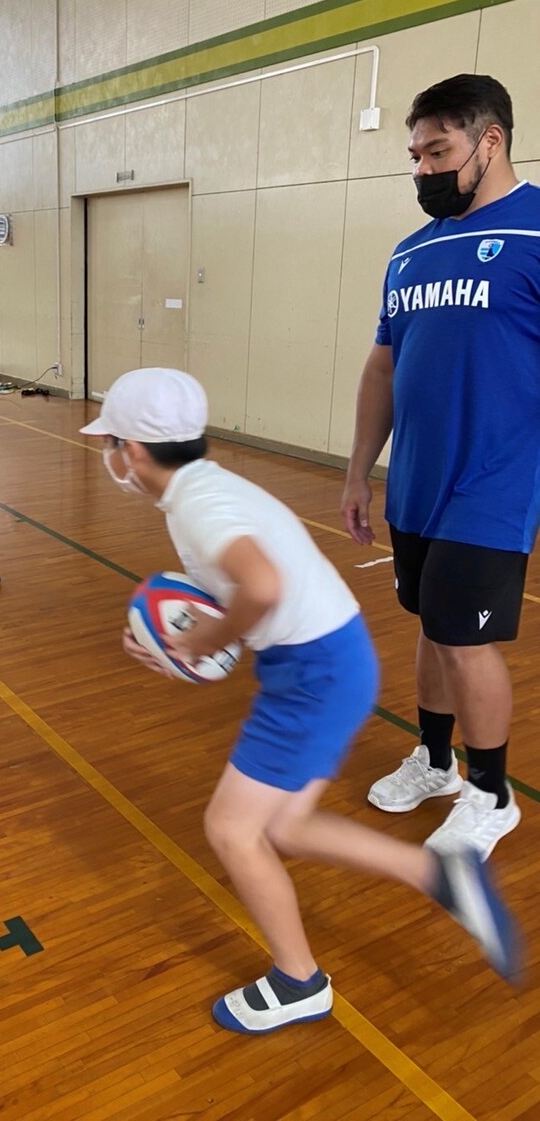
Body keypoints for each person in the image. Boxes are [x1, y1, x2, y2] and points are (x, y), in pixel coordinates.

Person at [81, 366, 520, 1034]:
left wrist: (201, 643)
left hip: (316, 675)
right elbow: (252, 589)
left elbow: (260, 587)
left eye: (111, 443)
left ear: (132, 451)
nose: (110, 457)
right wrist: (192, 634)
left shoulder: (200, 505)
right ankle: (439, 874)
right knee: (282, 826)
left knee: (232, 830)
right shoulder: (207, 486)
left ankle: (299, 981)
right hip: (331, 661)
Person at [341, 74, 539, 860]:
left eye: (438, 151)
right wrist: (360, 470)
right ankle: (434, 760)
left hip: (496, 483)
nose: (422, 169)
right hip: (418, 479)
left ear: (489, 141)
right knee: (431, 622)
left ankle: (492, 794)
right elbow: (384, 368)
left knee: (462, 637)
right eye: (414, 154)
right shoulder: (411, 252)